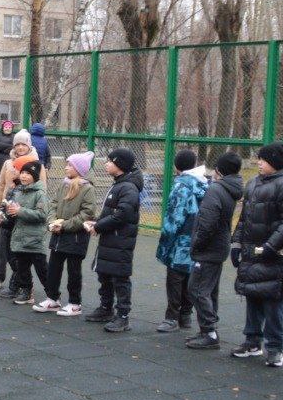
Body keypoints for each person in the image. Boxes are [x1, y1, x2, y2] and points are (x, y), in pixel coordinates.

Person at [229, 143, 283, 368]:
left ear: (275, 162)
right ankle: (252, 341)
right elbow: (244, 218)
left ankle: (274, 348)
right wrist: (237, 242)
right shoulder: (253, 183)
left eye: (263, 159)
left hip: (272, 254)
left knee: (271, 299)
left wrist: (271, 246)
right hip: (251, 252)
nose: (258, 162)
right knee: (252, 295)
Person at [184, 152, 244, 350]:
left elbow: (207, 223)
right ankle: (208, 329)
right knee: (210, 289)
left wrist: (197, 244)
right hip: (219, 245)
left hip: (209, 248)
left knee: (197, 289)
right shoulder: (230, 188)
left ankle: (209, 331)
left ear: (219, 170)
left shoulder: (216, 190)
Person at [84, 148, 143, 333]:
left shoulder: (128, 187)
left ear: (120, 164)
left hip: (120, 241)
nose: (106, 163)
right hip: (111, 240)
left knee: (120, 278)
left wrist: (98, 226)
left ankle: (123, 316)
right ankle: (106, 308)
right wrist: (97, 222)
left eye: (110, 161)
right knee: (105, 274)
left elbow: (122, 215)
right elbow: (111, 212)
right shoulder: (119, 184)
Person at [34, 151, 100, 316]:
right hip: (58, 235)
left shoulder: (87, 188)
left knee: (74, 270)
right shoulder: (63, 184)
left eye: (70, 165)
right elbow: (53, 204)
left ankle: (75, 303)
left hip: (76, 237)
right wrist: (52, 221)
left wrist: (64, 225)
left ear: (79, 168)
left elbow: (87, 213)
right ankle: (52, 299)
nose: (66, 167)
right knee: (54, 268)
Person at [155, 150, 208, 333]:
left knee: (175, 278)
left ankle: (171, 317)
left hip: (181, 241)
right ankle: (185, 315)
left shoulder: (181, 187)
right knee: (189, 276)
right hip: (197, 239)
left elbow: (174, 217)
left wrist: (165, 241)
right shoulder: (204, 184)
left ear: (176, 167)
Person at [0, 130, 37, 292]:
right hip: (6, 209)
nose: (21, 147)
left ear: (29, 145)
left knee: (20, 250)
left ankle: (21, 280)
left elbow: (41, 187)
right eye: (18, 144)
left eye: (24, 144)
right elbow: (1, 186)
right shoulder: (8, 163)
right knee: (1, 246)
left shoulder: (36, 163)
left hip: (23, 212)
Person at [5, 160, 50, 306]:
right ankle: (26, 291)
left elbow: (42, 215)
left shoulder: (40, 194)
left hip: (35, 238)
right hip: (20, 237)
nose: (24, 176)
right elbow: (16, 212)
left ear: (35, 176)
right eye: (22, 173)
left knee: (42, 269)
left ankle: (52, 294)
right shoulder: (19, 192)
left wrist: (20, 211)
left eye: (28, 174)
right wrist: (9, 213)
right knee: (22, 267)